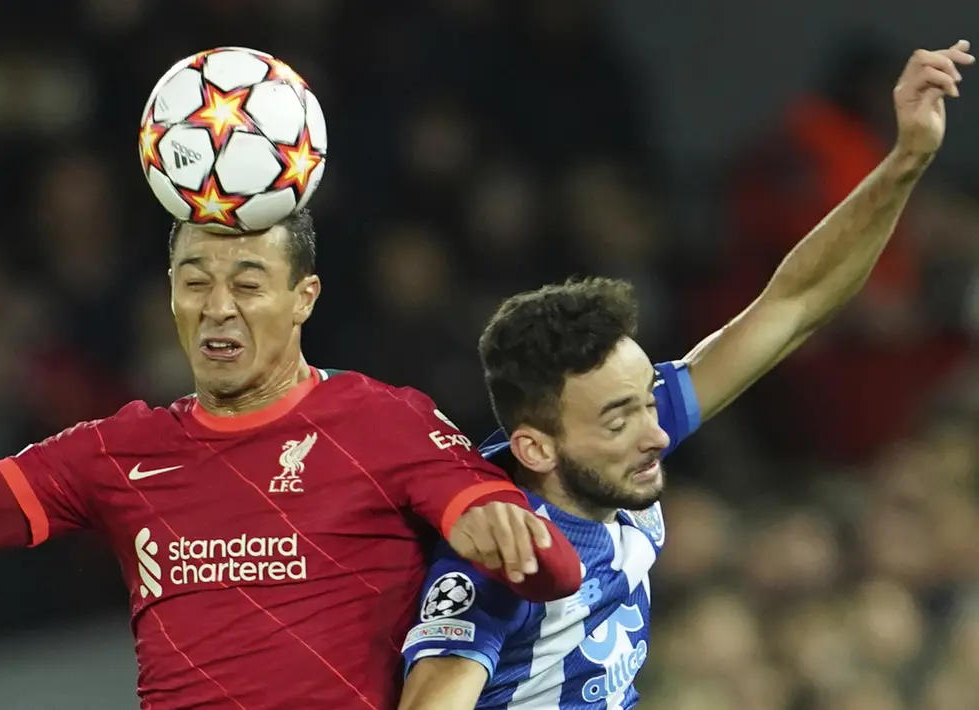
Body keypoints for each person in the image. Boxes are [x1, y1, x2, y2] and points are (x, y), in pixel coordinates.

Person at [0, 207, 583, 709]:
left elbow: (552, 567)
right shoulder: (117, 451)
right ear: (167, 291)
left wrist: (508, 539)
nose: (217, 307)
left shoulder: (383, 421)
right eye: (194, 281)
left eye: (248, 282)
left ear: (305, 298)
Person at [397, 41, 972, 710]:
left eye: (646, 403)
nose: (654, 432)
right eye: (618, 419)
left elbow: (794, 304)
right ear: (535, 447)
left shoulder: (627, 449)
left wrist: (903, 161)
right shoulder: (502, 557)